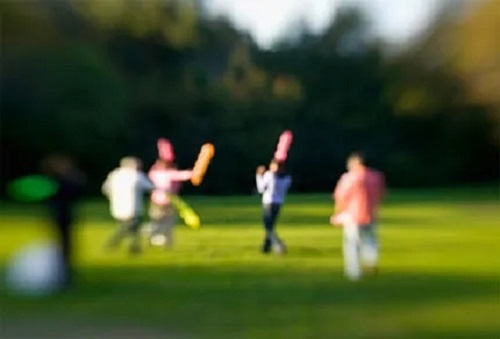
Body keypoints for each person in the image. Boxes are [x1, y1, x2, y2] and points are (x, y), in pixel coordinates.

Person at [331, 152, 386, 281]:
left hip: (353, 215)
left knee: (352, 243)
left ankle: (354, 271)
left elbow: (341, 196)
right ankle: (371, 262)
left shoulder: (349, 177)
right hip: (371, 213)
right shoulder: (376, 176)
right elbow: (381, 194)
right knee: (371, 240)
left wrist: (337, 213)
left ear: (354, 163)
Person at [42, 154, 86, 290]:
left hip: (61, 217)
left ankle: (63, 274)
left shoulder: (54, 182)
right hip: (61, 217)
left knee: (64, 247)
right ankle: (62, 276)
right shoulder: (59, 182)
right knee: (63, 247)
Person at [102, 157, 155, 255]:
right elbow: (150, 186)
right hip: (132, 206)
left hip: (117, 206)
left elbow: (105, 188)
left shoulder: (115, 174)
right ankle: (114, 242)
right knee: (129, 226)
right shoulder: (136, 175)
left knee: (132, 227)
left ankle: (134, 247)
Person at [147, 159, 192, 248]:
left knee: (156, 221)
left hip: (156, 201)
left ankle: (154, 238)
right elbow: (182, 175)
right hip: (167, 201)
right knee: (168, 222)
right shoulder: (168, 174)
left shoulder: (153, 173)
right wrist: (193, 172)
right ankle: (166, 241)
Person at [255, 159, 292, 254]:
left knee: (268, 226)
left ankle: (278, 244)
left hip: (268, 202)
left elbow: (260, 189)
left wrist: (259, 175)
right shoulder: (287, 178)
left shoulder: (269, 175)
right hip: (279, 203)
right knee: (271, 225)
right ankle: (266, 247)